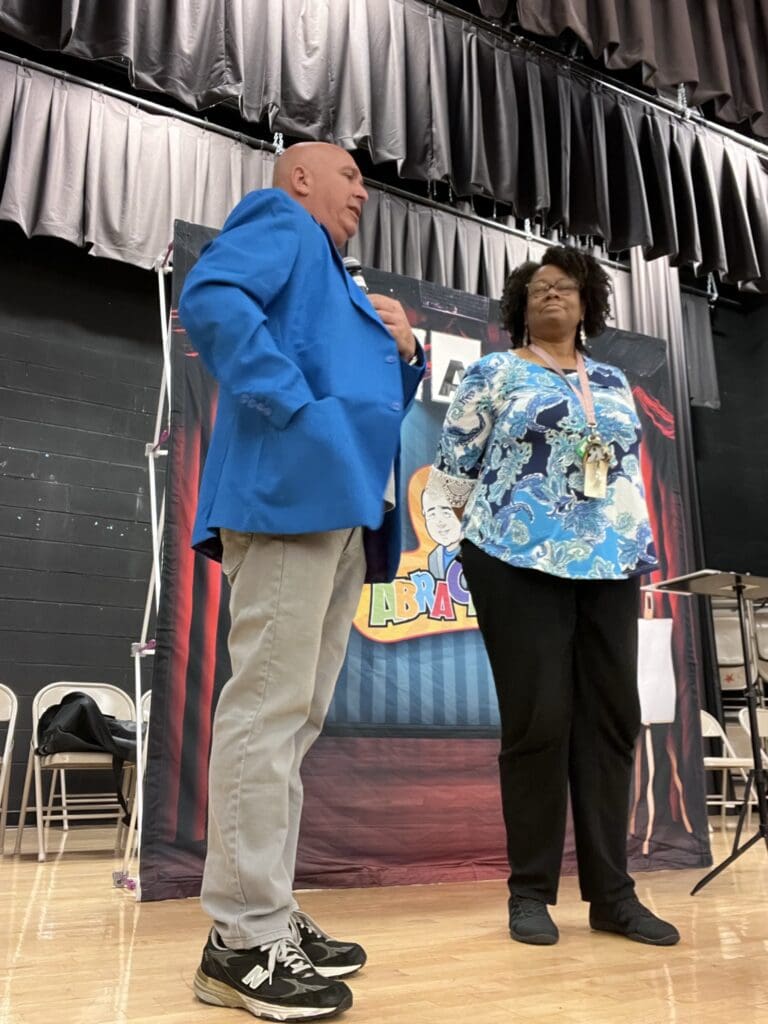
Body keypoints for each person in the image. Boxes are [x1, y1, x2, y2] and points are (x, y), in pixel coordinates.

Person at [178, 141, 424, 1021]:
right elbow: (210, 297)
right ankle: (240, 941)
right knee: (268, 716)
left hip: (341, 509)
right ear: (300, 178)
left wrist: (406, 349)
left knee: (294, 721)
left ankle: (266, 909)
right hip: (291, 495)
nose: (363, 189)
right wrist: (295, 408)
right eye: (349, 175)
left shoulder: (339, 277)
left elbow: (371, 391)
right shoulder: (279, 218)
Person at [429, 245, 680, 948]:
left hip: (608, 562)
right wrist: (462, 551)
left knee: (610, 721)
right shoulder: (494, 373)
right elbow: (453, 472)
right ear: (520, 305)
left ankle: (613, 895)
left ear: (587, 302)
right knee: (539, 720)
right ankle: (530, 892)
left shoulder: (612, 380)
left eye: (565, 287)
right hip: (514, 558)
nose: (551, 295)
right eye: (539, 287)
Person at [421, 485, 462, 579]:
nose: (439, 522)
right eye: (432, 515)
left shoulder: (477, 553)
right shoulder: (434, 557)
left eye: (446, 513)